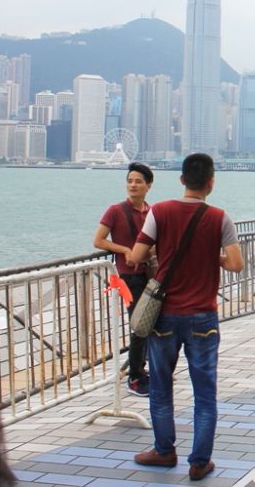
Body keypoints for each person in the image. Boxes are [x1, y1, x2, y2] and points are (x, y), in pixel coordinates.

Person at [130, 153, 244, 480]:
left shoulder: (159, 211)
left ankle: (164, 451)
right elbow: (236, 264)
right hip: (203, 316)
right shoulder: (220, 218)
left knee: (161, 387)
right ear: (211, 182)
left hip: (165, 314)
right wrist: (213, 256)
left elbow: (137, 255)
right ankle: (199, 462)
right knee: (205, 393)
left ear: (181, 180)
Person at [93, 162, 155, 396]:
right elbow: (98, 240)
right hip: (129, 276)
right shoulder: (115, 210)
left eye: (138, 181)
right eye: (130, 181)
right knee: (139, 324)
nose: (133, 185)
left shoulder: (152, 212)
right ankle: (135, 377)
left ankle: (144, 368)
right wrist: (125, 250)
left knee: (152, 322)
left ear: (149, 185)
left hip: (150, 274)